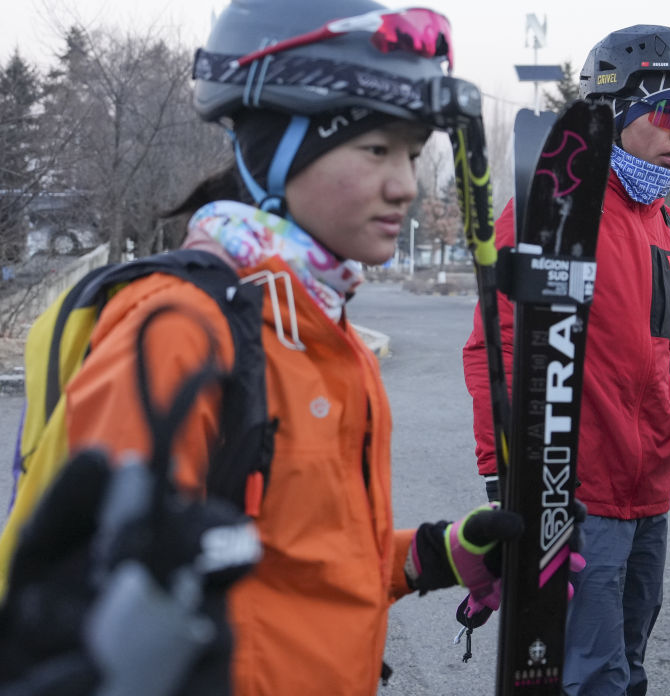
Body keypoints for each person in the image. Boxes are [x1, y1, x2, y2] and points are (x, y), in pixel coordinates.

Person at [0, 1, 524, 695]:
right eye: (376, 149)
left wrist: (435, 556)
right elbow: (116, 618)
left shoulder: (319, 325)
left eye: (413, 153)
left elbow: (294, 567)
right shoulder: (179, 329)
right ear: (276, 151)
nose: (403, 183)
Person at [463, 24, 670, 696]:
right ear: (612, 112)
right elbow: (496, 350)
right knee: (590, 676)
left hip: (648, 498)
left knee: (628, 666)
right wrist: (505, 479)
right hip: (575, 496)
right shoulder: (553, 210)